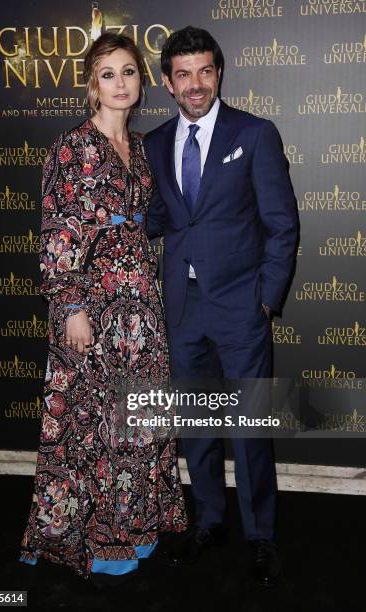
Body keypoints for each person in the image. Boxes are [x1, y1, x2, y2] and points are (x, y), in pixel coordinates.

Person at [19, 32, 187, 581]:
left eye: (129, 72)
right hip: (91, 307)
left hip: (139, 303)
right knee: (91, 427)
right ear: (93, 83)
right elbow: (56, 233)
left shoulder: (140, 148)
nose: (120, 83)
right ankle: (91, 541)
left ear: (142, 82)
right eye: (108, 73)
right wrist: (70, 307)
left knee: (137, 423)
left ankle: (133, 528)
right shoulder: (70, 146)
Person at [143, 26, 298, 586]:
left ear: (219, 73)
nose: (195, 84)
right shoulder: (155, 144)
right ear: (167, 82)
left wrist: (266, 300)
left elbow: (282, 225)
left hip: (240, 309)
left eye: (205, 71)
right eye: (183, 74)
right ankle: (209, 521)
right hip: (182, 310)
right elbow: (162, 219)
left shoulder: (254, 134)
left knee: (251, 428)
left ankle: (260, 537)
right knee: (196, 426)